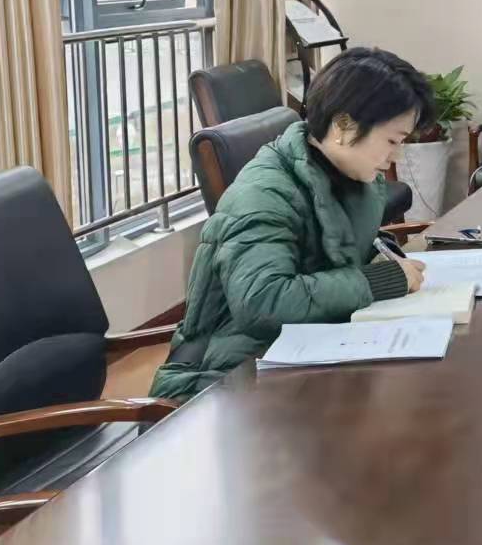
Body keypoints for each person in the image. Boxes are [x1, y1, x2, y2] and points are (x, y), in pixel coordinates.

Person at [150, 47, 435, 400]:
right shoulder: (263, 193)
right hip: (222, 381)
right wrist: (381, 279)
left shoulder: (352, 177)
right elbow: (263, 300)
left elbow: (337, 250)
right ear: (343, 126)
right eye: (392, 141)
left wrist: (381, 257)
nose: (396, 156)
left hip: (297, 355)